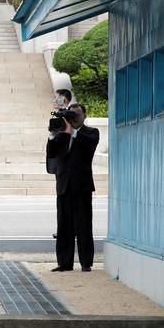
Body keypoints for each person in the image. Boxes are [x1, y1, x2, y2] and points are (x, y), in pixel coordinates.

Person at [46, 102, 99, 272]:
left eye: (76, 115)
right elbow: (52, 154)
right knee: (63, 226)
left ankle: (86, 263)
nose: (73, 118)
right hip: (63, 185)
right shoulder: (62, 133)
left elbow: (89, 148)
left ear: (84, 116)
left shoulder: (91, 133)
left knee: (83, 225)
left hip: (81, 186)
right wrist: (53, 135)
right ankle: (64, 263)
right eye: (71, 115)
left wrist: (73, 132)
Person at [50, 88, 72, 239]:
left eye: (58, 99)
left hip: (68, 166)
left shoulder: (71, 115)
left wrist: (64, 112)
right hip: (60, 165)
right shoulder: (57, 117)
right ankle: (62, 228)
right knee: (61, 201)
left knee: (67, 201)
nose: (54, 101)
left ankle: (67, 228)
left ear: (65, 100)